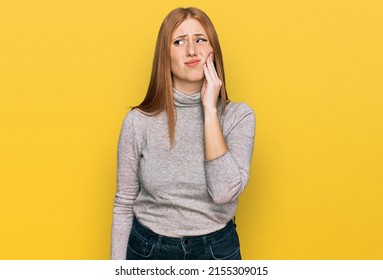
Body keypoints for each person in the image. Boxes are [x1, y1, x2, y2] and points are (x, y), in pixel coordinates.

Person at [111, 7, 255, 260]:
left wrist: (209, 109)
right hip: (148, 251)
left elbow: (223, 193)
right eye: (179, 41)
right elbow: (124, 203)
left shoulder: (238, 116)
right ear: (164, 55)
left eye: (200, 39)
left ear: (214, 51)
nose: (191, 50)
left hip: (216, 251)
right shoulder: (138, 121)